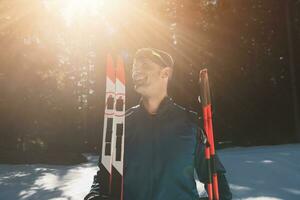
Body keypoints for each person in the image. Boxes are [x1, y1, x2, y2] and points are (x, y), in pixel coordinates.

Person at [85, 48, 232, 200]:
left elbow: (215, 177)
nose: (136, 72)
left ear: (165, 73)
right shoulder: (121, 124)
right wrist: (94, 196)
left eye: (145, 66)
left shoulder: (190, 124)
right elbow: (103, 177)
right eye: (135, 68)